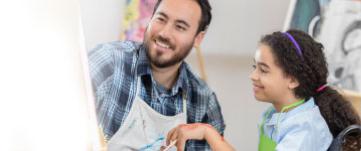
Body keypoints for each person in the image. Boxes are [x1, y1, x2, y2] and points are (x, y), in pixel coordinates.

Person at [164, 29, 361, 151]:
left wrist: (209, 134)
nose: (253, 76)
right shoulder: (277, 114)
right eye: (254, 67)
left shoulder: (304, 129)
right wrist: (206, 132)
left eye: (263, 70)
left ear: (292, 80)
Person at [88, 0, 225, 150]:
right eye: (161, 19)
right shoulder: (109, 62)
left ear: (198, 38)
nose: (164, 33)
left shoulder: (204, 102)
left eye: (180, 27)